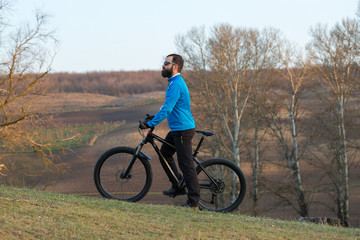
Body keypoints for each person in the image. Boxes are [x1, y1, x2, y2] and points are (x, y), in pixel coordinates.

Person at [139, 53, 200, 210]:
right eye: (163, 63)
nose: (163, 65)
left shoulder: (177, 84)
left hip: (183, 130)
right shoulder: (173, 83)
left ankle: (193, 202)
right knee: (165, 154)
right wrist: (153, 117)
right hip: (177, 129)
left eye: (166, 63)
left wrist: (151, 123)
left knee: (186, 164)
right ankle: (177, 184)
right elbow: (166, 106)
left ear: (175, 66)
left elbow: (167, 109)